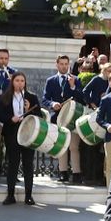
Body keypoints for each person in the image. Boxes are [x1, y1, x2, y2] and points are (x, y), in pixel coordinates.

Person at [0, 72, 38, 205]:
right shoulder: (6, 97)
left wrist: (29, 110)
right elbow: (1, 115)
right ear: (12, 82)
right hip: (12, 132)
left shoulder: (31, 97)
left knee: (28, 164)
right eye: (17, 80)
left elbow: (39, 115)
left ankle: (29, 195)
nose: (20, 83)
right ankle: (10, 195)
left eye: (22, 81)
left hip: (28, 133)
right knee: (13, 164)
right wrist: (10, 119)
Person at [43, 55, 80, 183]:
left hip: (73, 118)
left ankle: (76, 174)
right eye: (62, 64)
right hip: (58, 118)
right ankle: (63, 172)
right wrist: (52, 104)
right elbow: (45, 99)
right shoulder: (51, 80)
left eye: (66, 64)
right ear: (57, 65)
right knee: (62, 145)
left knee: (73, 147)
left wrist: (73, 86)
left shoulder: (75, 79)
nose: (64, 66)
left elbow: (82, 97)